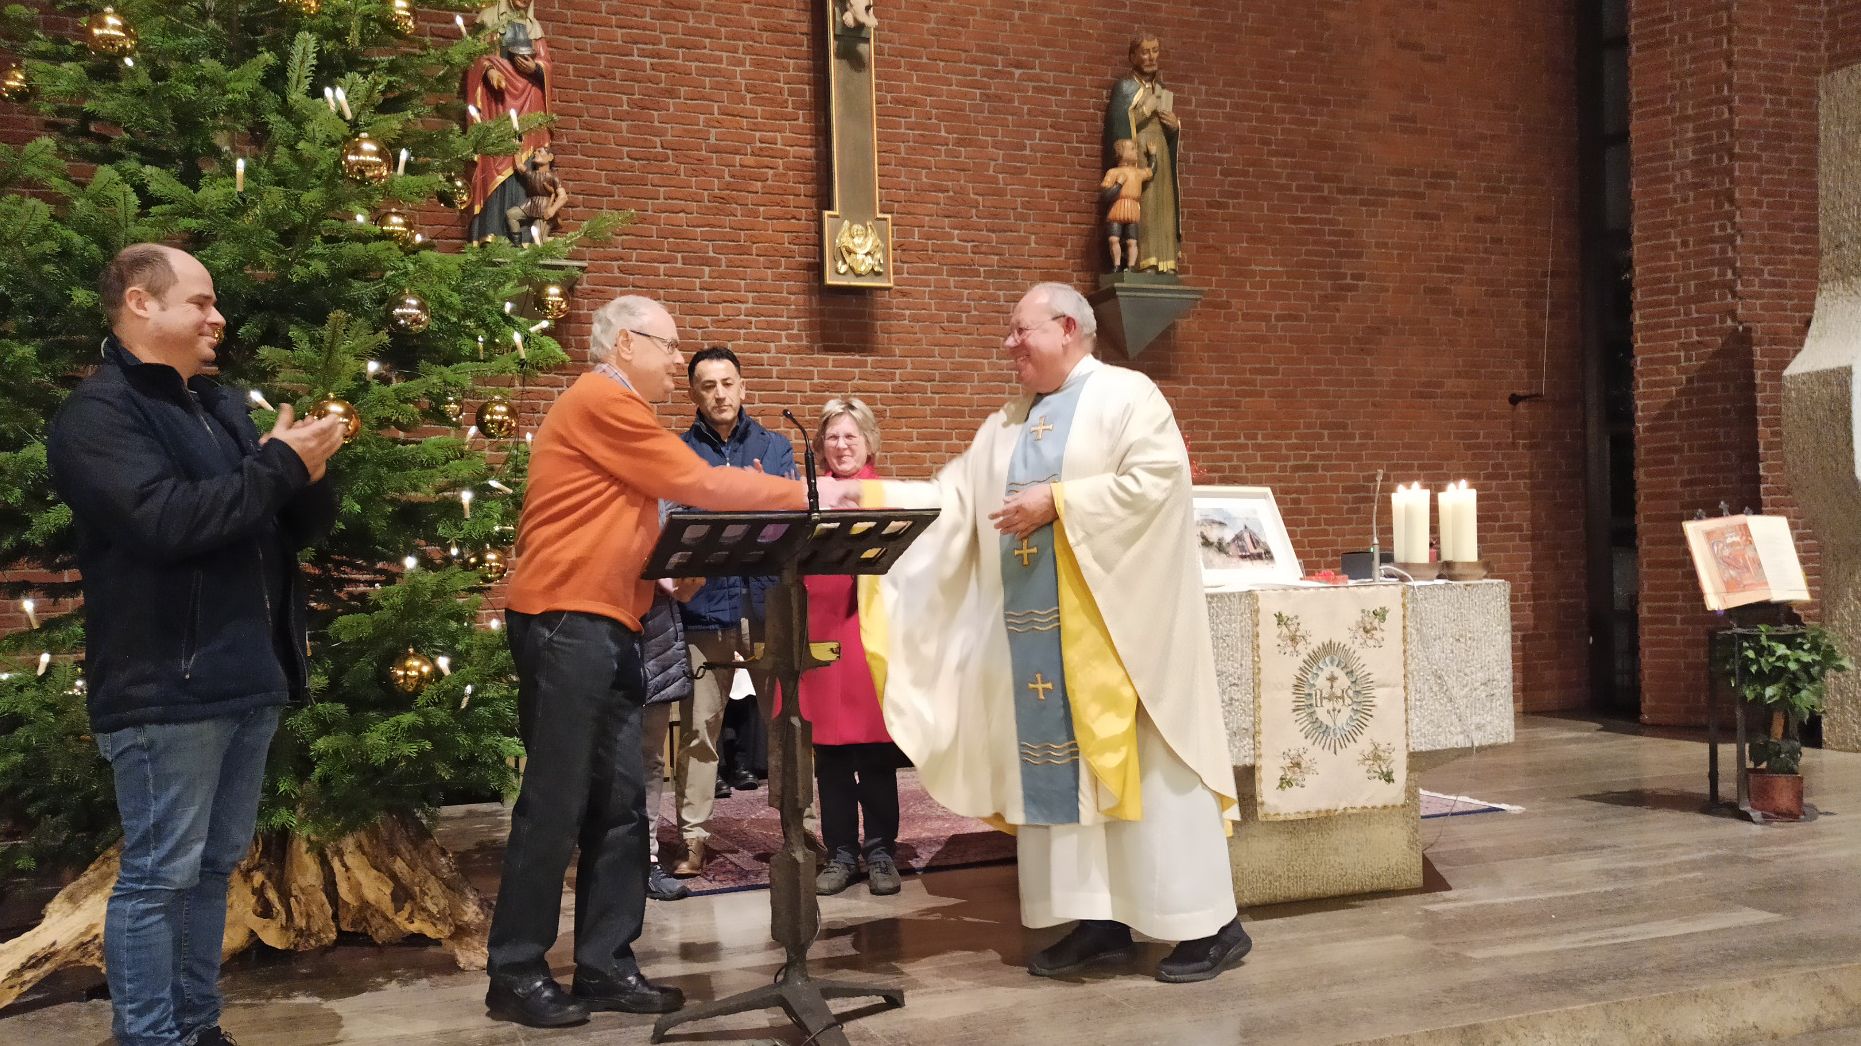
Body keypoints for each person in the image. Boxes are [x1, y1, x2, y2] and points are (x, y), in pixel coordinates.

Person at [846, 282, 1250, 983]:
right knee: (1067, 788)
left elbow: (1157, 484)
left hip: (1124, 643)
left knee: (1155, 781)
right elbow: (955, 500)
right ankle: (1100, 919)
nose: (1009, 345)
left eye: (1019, 330)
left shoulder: (1127, 396)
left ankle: (1211, 926)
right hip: (1041, 650)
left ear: (1067, 328)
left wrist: (1057, 501)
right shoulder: (1007, 422)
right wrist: (873, 497)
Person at [486, 296, 855, 1028]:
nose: (673, 362)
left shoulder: (624, 419)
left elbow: (655, 522)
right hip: (565, 616)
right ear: (626, 344)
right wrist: (813, 495)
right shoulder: (599, 398)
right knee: (556, 805)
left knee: (622, 804)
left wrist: (681, 567)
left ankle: (603, 963)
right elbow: (700, 483)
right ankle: (516, 972)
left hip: (612, 621)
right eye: (667, 347)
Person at [46, 244, 346, 1046]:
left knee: (213, 871)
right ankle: (149, 1036)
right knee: (157, 878)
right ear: (142, 305)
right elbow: (166, 522)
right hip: (164, 685)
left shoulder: (213, 406)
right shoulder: (99, 414)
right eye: (201, 302)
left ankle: (197, 1027)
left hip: (246, 673)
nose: (218, 319)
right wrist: (280, 465)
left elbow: (277, 526)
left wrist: (309, 475)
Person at [667, 346, 796, 877]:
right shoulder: (676, 452)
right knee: (701, 729)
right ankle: (694, 837)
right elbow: (675, 521)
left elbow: (793, 516)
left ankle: (796, 825)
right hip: (705, 607)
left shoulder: (776, 445)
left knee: (787, 722)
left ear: (743, 388)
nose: (719, 394)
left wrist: (773, 498)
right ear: (693, 393)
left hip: (768, 603)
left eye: (727, 383)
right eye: (707, 385)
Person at [803, 398, 907, 898]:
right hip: (821, 631)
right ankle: (841, 853)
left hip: (869, 633)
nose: (840, 446)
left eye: (850, 436)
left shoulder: (884, 494)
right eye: (832, 437)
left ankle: (882, 850)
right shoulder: (809, 493)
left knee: (875, 750)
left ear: (868, 441)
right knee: (831, 754)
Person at [639, 577, 698, 902]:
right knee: (604, 761)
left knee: (649, 759)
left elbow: (686, 588)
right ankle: (607, 858)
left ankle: (646, 862)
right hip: (606, 629)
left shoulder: (656, 521)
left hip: (655, 638)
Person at [465, 22, 551, 243]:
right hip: (497, 106)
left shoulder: (534, 30)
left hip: (530, 104)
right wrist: (490, 69)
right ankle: (491, 230)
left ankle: (526, 237)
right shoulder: (489, 19)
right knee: (494, 162)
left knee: (527, 167)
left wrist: (536, 69)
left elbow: (546, 65)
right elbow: (477, 57)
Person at [1104, 33, 1183, 274]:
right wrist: (1144, 111)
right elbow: (1118, 128)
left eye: (1155, 51)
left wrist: (1174, 127)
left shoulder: (1162, 89)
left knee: (1163, 206)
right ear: (1133, 56)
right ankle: (1143, 261)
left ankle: (1165, 261)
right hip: (1138, 154)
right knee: (1145, 206)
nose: (1151, 57)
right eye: (1145, 52)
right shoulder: (1125, 88)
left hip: (1159, 153)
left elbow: (1168, 129)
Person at [1099, 138, 1156, 272]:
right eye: (1132, 149)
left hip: (1132, 209)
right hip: (1116, 208)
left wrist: (1153, 155)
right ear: (1121, 153)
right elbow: (1106, 195)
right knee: (1113, 239)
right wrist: (1118, 184)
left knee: (1132, 241)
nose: (1136, 151)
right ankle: (1117, 265)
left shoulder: (1137, 173)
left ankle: (1131, 266)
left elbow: (1151, 171)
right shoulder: (1113, 172)